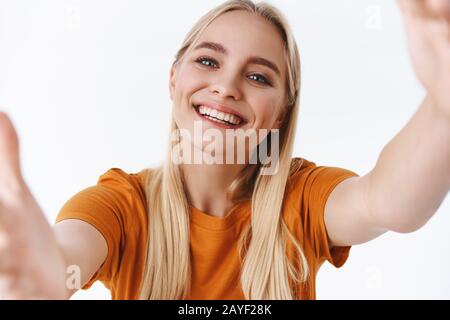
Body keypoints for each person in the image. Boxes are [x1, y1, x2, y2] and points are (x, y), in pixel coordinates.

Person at [0, 0, 449, 300]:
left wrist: (444, 104)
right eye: (208, 61)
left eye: (258, 77)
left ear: (281, 113)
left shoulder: (301, 197)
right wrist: (43, 270)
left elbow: (388, 202)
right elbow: (65, 254)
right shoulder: (121, 204)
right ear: (174, 79)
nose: (226, 87)